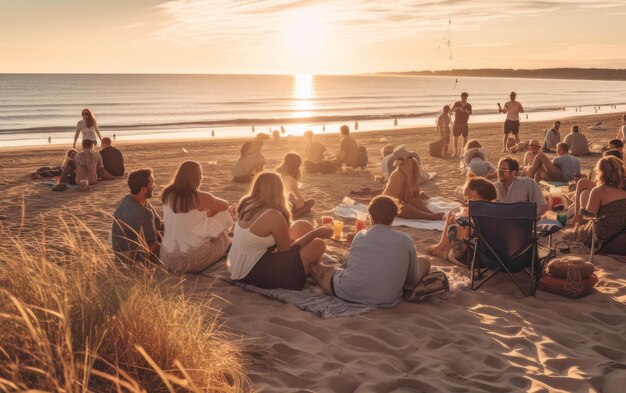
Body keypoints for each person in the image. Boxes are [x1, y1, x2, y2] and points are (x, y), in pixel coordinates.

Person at [311, 196, 431, 307]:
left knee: (327, 274)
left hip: (349, 292)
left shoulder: (360, 235)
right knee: (425, 262)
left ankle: (317, 275)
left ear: (370, 216)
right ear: (394, 218)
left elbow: (351, 265)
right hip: (385, 299)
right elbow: (413, 280)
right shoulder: (405, 240)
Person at [227, 172, 332, 290]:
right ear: (279, 190)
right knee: (318, 244)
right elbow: (286, 252)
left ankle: (314, 266)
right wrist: (316, 233)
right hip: (252, 272)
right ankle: (314, 269)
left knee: (303, 226)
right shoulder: (273, 215)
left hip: (240, 263)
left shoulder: (246, 203)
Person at [159, 161, 233, 273]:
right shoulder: (199, 197)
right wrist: (211, 208)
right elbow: (225, 205)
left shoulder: (167, 193)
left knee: (205, 217)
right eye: (201, 175)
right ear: (197, 177)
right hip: (191, 259)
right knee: (224, 235)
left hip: (166, 259)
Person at [426, 177, 498, 266]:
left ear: (485, 199)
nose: (466, 201)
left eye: (471, 199)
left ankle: (446, 252)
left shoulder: (482, 216)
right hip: (493, 257)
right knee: (452, 218)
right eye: (465, 197)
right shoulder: (493, 209)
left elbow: (463, 239)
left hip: (480, 260)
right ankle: (441, 246)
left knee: (454, 229)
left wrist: (462, 219)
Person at [565, 156, 626, 254]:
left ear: (601, 172)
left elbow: (588, 216)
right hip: (623, 239)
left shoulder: (599, 191)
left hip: (608, 241)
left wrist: (581, 208)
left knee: (569, 235)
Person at [111, 168, 162, 263]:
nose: (154, 186)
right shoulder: (144, 213)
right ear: (143, 189)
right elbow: (151, 246)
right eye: (152, 184)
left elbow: (158, 223)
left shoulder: (128, 199)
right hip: (132, 257)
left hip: (120, 254)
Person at [383, 146, 445, 220]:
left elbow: (413, 192)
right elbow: (393, 200)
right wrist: (407, 202)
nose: (409, 162)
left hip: (405, 201)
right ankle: (431, 217)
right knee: (406, 208)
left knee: (417, 201)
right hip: (389, 204)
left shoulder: (414, 169)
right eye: (406, 161)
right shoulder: (397, 176)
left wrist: (416, 196)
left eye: (410, 159)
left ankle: (432, 214)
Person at [277, 153, 316, 219]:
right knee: (311, 202)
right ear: (295, 167)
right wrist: (301, 203)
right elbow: (301, 199)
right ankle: (292, 215)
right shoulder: (291, 180)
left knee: (293, 203)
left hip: (273, 206)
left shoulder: (277, 175)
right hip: (282, 208)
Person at [451, 92, 473, 157]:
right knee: (455, 137)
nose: (465, 98)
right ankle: (455, 152)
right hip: (457, 122)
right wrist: (457, 108)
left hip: (464, 123)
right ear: (461, 97)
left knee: (465, 137)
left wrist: (467, 112)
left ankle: (463, 152)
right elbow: (452, 110)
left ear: (467, 97)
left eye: (466, 97)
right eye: (463, 97)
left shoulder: (469, 105)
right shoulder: (457, 103)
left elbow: (470, 113)